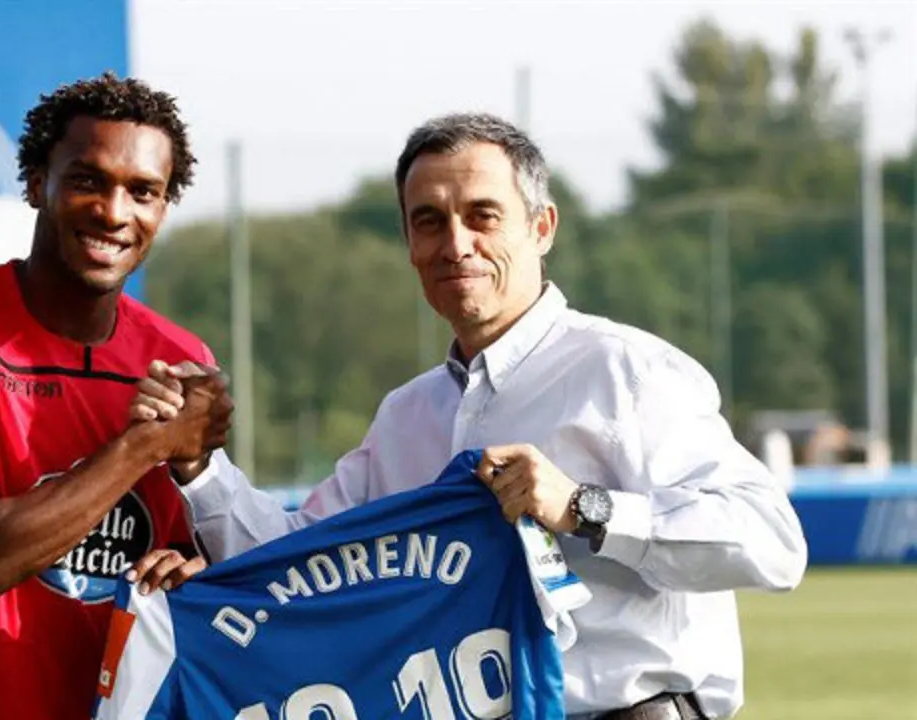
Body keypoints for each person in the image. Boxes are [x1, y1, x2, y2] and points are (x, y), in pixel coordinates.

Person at [130, 113, 808, 719]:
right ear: (408, 241)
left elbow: (772, 543)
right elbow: (300, 561)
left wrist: (584, 507)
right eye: (429, 220)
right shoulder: (407, 415)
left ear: (541, 229)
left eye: (483, 215)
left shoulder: (625, 372)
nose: (456, 243)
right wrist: (195, 466)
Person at [0, 72, 232, 720]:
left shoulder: (183, 362)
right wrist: (146, 444)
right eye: (88, 180)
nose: (114, 212)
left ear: (162, 209)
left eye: (143, 192)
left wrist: (194, 570)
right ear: (39, 182)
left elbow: (191, 562)